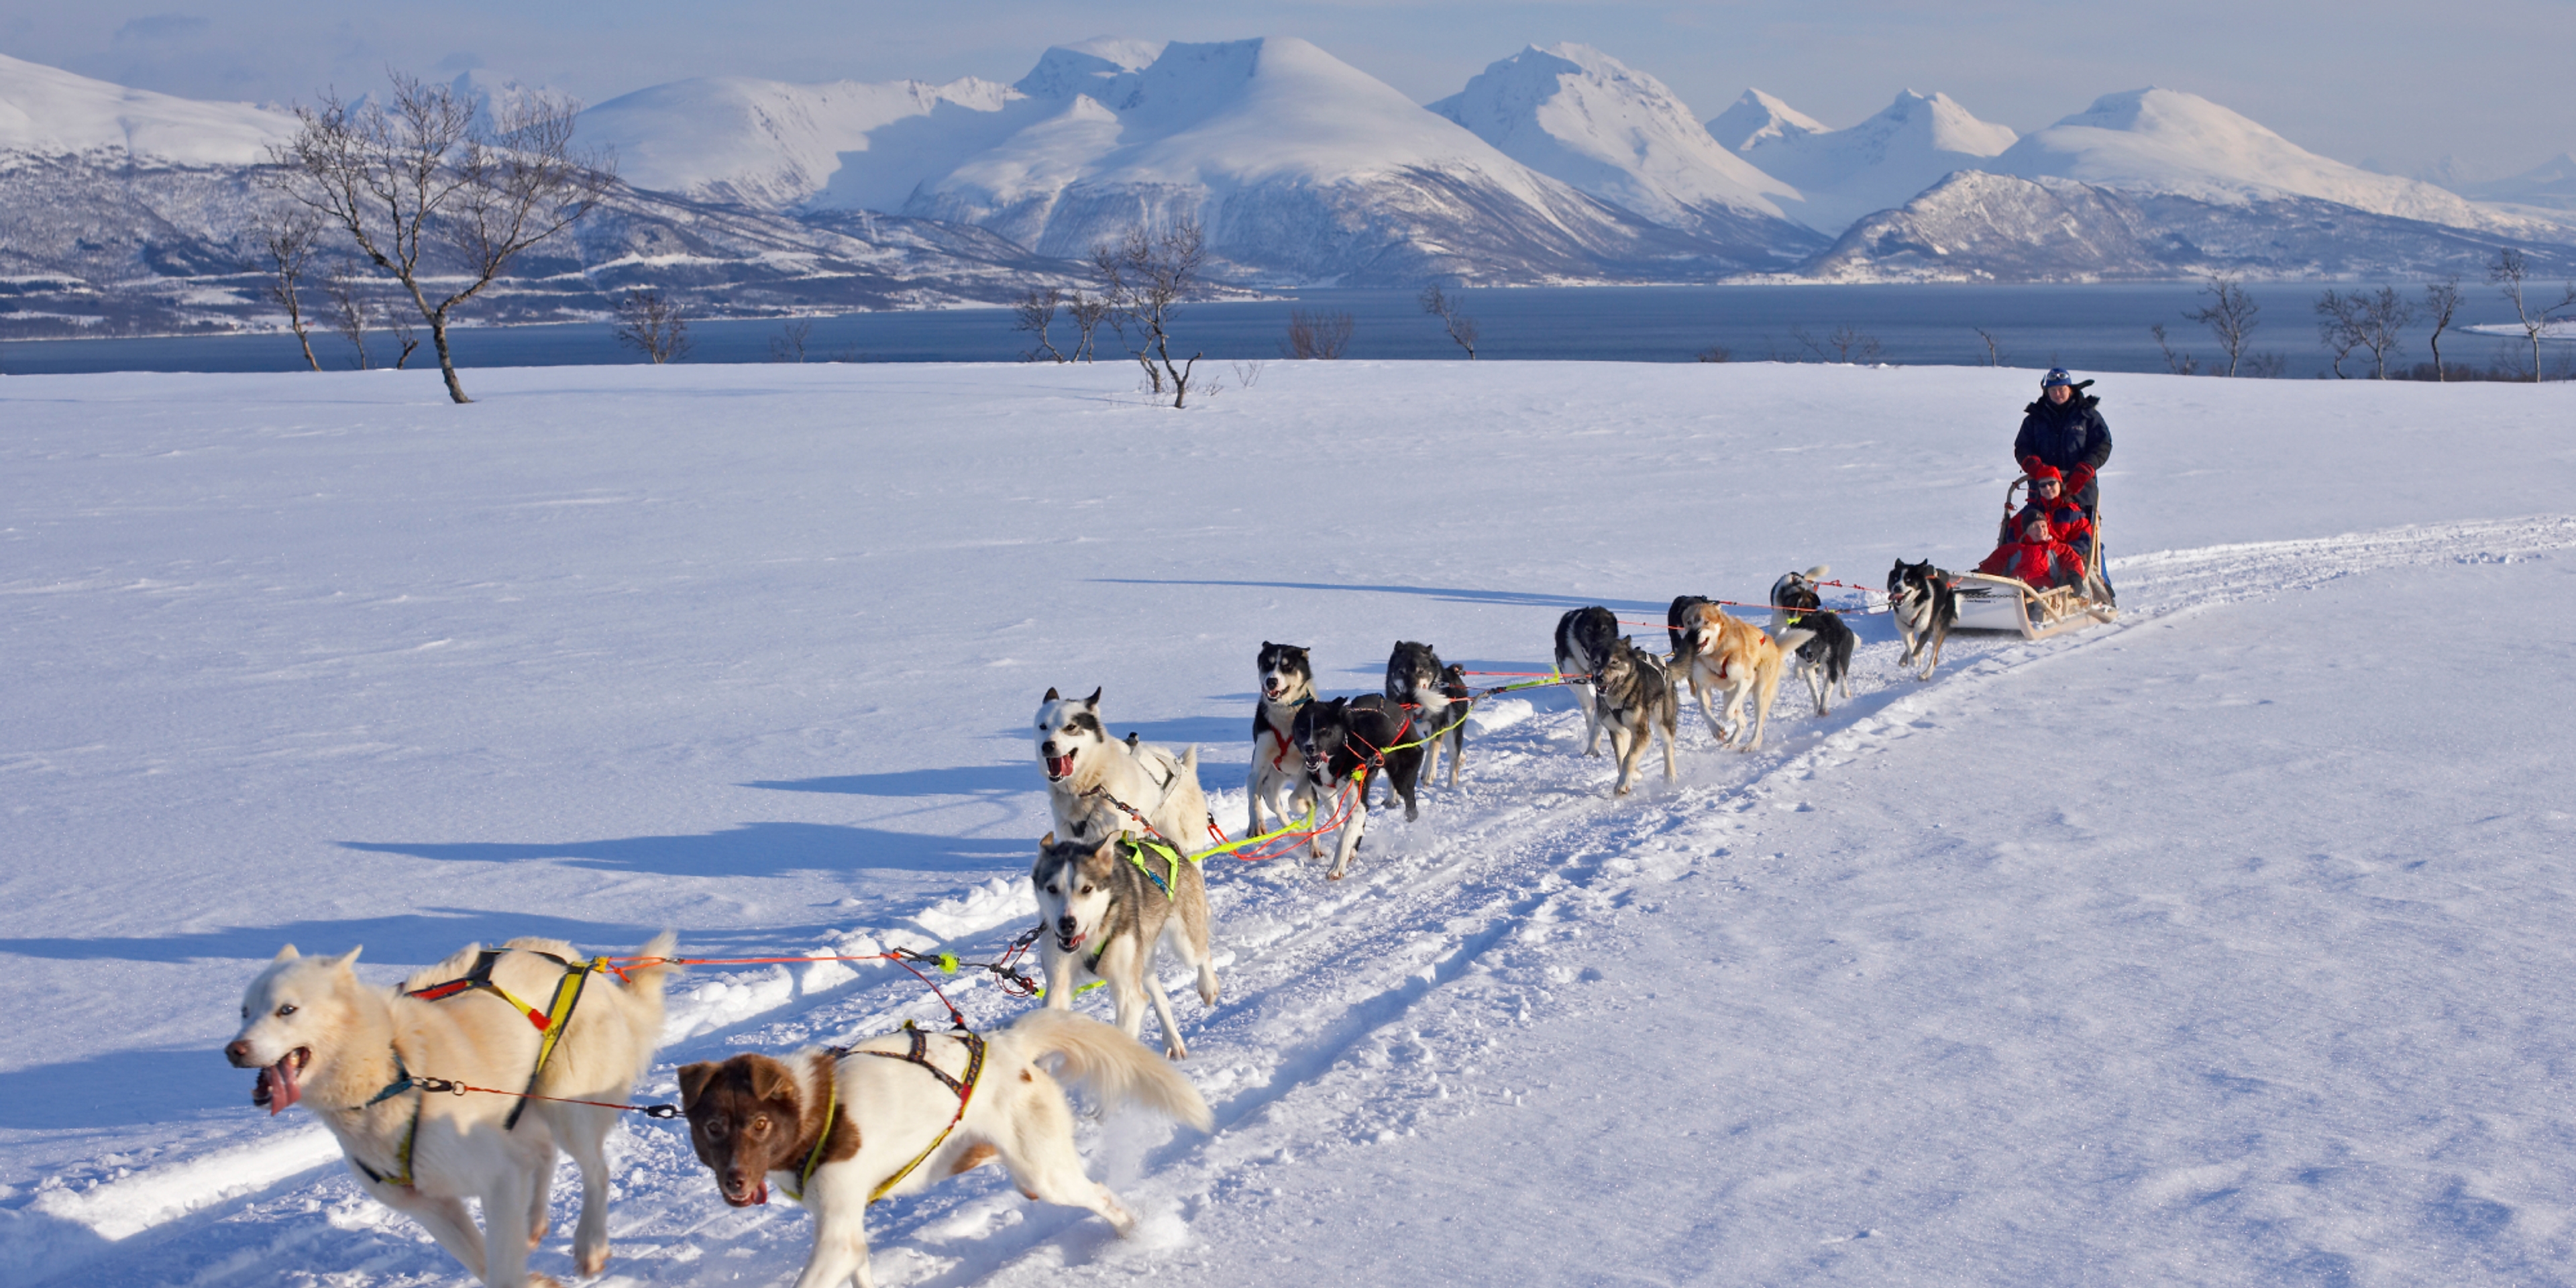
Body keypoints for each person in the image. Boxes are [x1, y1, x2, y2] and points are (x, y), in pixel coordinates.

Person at [2014, 368, 2110, 514]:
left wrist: (2086, 467)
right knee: (2039, 530)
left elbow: (2102, 444)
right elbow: (2023, 446)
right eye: (2053, 390)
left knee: (2079, 528)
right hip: (2043, 487)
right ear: (2047, 392)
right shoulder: (2035, 418)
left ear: (2070, 389)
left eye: (2061, 389)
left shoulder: (2088, 415)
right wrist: (2035, 467)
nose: (2057, 394)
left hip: (2079, 486)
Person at [1978, 509, 2088, 590]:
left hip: (2045, 592)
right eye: (2035, 527)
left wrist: (2075, 578)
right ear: (2027, 532)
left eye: (2043, 526)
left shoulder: (2060, 549)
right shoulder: (2012, 549)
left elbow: (2072, 562)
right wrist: (1978, 575)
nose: (2041, 530)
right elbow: (1991, 566)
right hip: (2015, 588)